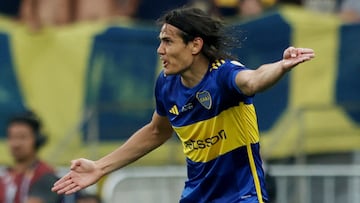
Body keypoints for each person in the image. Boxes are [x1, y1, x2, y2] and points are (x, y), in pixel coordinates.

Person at [52, 7, 315, 203]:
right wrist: (99, 167)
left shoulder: (222, 75)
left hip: (241, 196)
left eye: (167, 41)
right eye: (160, 41)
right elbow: (157, 131)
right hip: (195, 196)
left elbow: (253, 80)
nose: (159, 50)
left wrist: (281, 67)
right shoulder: (166, 85)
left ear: (195, 45)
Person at [0, 110, 63, 203]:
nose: (16, 144)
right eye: (12, 137)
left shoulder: (45, 175)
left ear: (37, 140)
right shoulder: (5, 175)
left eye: (22, 137)